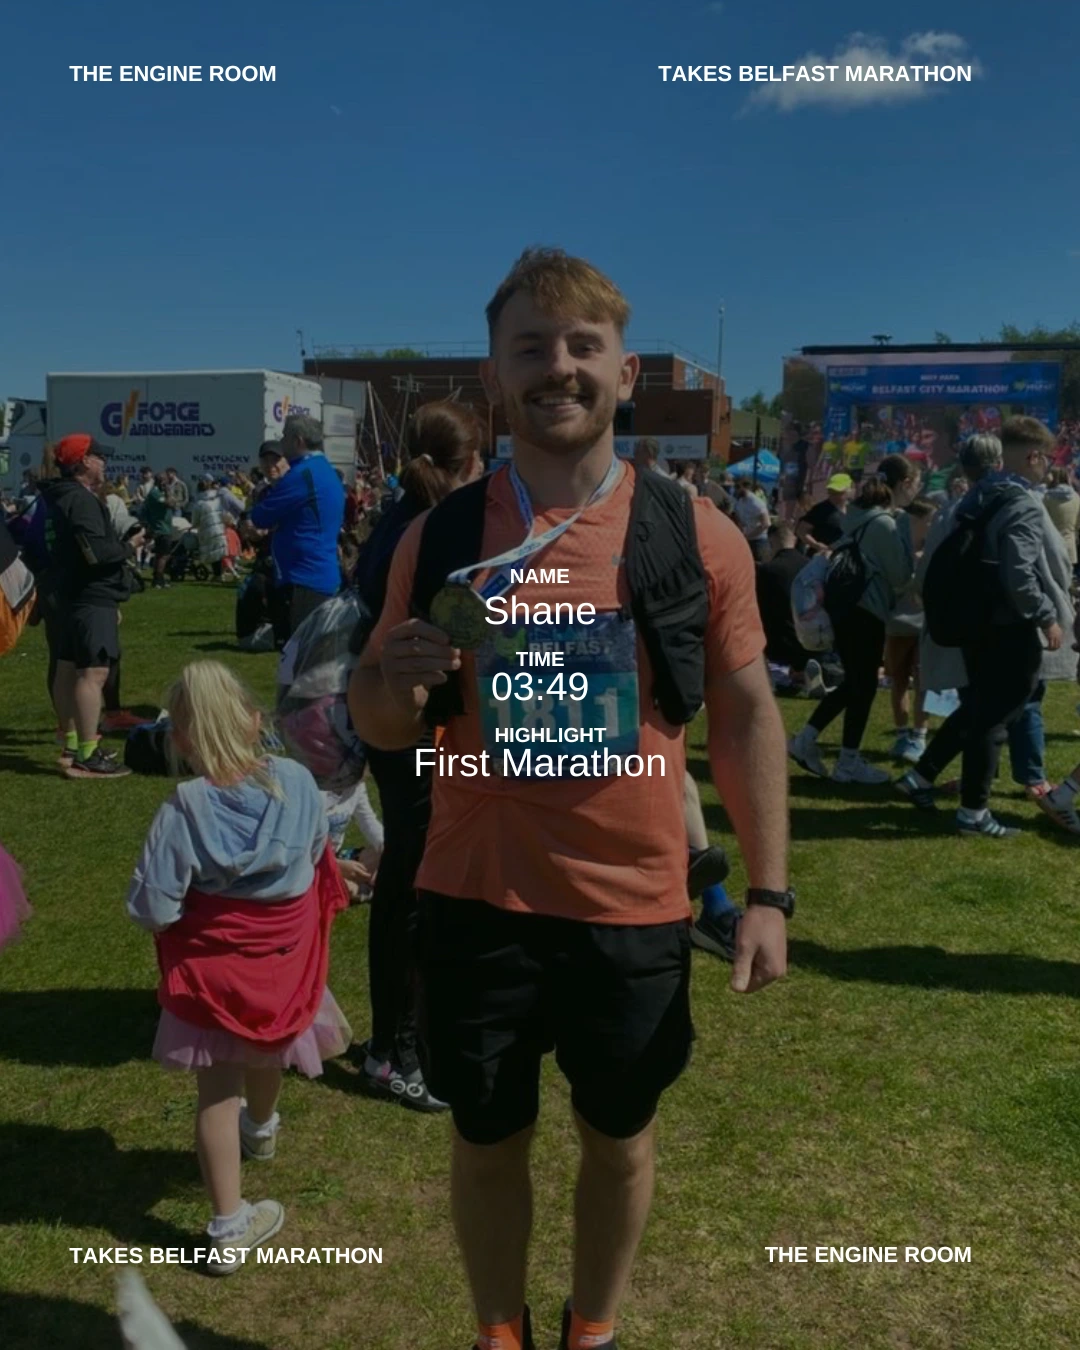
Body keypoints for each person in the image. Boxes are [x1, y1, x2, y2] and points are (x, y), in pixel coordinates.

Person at [349, 247, 790, 1350]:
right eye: (531, 348)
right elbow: (378, 722)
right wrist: (393, 686)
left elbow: (742, 719)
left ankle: (592, 1329)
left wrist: (769, 892)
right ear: (495, 375)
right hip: (474, 896)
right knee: (487, 1139)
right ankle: (500, 1333)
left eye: (582, 346)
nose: (560, 368)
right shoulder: (441, 537)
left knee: (619, 1136)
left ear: (624, 372)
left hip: (634, 906)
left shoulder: (696, 535)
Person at [126, 662, 353, 1271]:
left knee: (213, 1094)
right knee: (274, 1044)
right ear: (256, 722)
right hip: (284, 964)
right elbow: (312, 858)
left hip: (214, 976)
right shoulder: (302, 783)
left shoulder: (183, 810)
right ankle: (262, 1123)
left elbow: (152, 908)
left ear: (180, 739)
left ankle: (228, 1223)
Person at [350, 399, 485, 1112]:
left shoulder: (397, 521)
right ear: (467, 464)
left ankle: (394, 1042)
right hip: (410, 728)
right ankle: (394, 1051)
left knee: (408, 876)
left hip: (395, 725)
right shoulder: (433, 533)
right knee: (412, 884)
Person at [899, 424, 1071, 838]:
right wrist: (1046, 615)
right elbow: (1020, 572)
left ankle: (921, 777)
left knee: (977, 708)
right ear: (1033, 457)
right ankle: (973, 813)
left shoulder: (972, 496)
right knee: (996, 716)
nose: (1048, 467)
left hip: (973, 622)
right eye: (1046, 458)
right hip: (1009, 625)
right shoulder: (1023, 503)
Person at [788, 455, 919, 785]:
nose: (917, 490)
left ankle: (808, 740)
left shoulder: (858, 518)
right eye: (916, 484)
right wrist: (905, 529)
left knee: (855, 684)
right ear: (904, 484)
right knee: (863, 685)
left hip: (846, 608)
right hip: (866, 610)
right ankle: (847, 761)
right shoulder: (886, 524)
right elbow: (902, 576)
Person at [41, 435, 144, 778]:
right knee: (93, 673)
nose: (105, 463)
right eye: (100, 457)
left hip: (67, 594)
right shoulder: (81, 500)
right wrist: (129, 546)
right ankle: (88, 753)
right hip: (90, 595)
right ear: (84, 461)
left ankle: (72, 744)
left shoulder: (56, 497)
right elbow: (95, 553)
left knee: (68, 667)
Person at [251, 414, 345, 643]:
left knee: (298, 662)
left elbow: (261, 516)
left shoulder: (302, 474)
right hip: (318, 574)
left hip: (303, 579)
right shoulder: (324, 470)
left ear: (298, 440)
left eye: (284, 436)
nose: (281, 442)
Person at [884, 500, 936, 763]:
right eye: (930, 520)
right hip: (897, 624)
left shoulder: (933, 548)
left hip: (925, 625)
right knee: (899, 681)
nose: (933, 524)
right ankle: (902, 733)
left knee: (924, 683)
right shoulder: (897, 545)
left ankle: (919, 736)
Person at [755, 522, 817, 691]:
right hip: (811, 639)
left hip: (778, 645)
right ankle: (802, 672)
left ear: (771, 541)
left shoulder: (767, 571)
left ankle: (793, 675)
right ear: (795, 540)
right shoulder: (811, 566)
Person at [192, 478, 245, 580]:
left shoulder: (198, 504)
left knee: (213, 552)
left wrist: (195, 525)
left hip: (207, 529)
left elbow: (195, 521)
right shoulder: (218, 499)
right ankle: (221, 574)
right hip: (220, 528)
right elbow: (224, 513)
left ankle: (218, 574)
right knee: (220, 551)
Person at [796, 473, 851, 554]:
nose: (833, 495)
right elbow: (801, 531)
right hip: (824, 556)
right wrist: (816, 545)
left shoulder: (854, 509)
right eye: (831, 491)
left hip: (846, 556)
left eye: (838, 492)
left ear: (848, 490)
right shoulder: (820, 510)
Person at [1043, 467, 1079, 571]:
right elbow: (1078, 524)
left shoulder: (1047, 498)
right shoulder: (1076, 497)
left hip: (1051, 546)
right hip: (1070, 546)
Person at [732, 476, 771, 560]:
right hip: (747, 541)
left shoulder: (756, 503)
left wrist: (749, 535)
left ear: (744, 487)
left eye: (737, 487)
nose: (735, 490)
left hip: (759, 542)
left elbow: (766, 523)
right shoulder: (740, 502)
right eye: (735, 487)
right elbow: (739, 518)